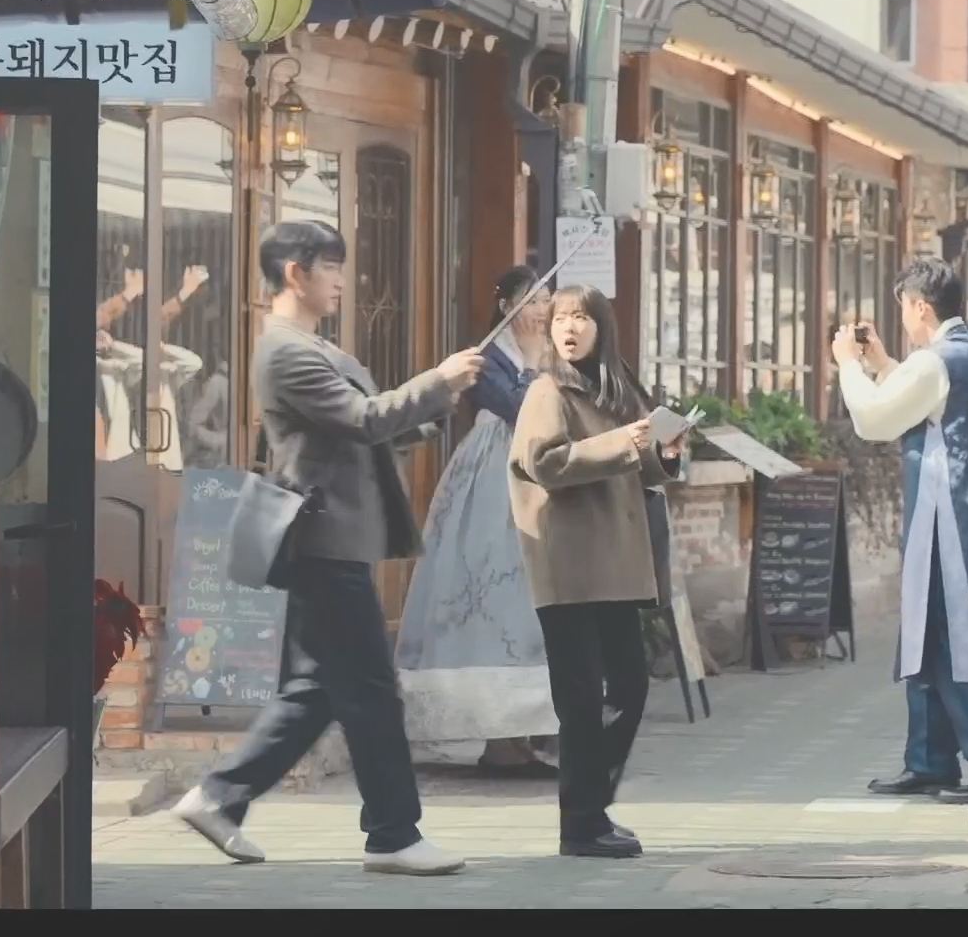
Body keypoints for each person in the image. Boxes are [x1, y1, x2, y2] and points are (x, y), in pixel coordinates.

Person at [171, 220, 485, 877]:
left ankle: (220, 797)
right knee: (370, 690)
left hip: (334, 538)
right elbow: (364, 419)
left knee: (316, 689)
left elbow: (366, 430)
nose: (343, 280)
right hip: (323, 539)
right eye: (333, 267)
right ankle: (393, 835)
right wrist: (437, 379)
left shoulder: (311, 348)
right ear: (296, 272)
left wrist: (436, 404)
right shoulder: (285, 352)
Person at [509, 285, 685, 859]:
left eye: (582, 317)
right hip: (569, 565)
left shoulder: (616, 389)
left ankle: (592, 807)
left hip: (617, 564)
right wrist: (621, 443)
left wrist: (665, 452)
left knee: (628, 688)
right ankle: (580, 824)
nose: (570, 327)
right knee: (582, 699)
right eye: (561, 318)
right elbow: (543, 462)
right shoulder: (547, 390)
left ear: (602, 328)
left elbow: (640, 467)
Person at [833, 258, 968, 806]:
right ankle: (929, 760)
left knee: (953, 636)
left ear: (920, 307)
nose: (902, 316)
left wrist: (848, 366)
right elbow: (920, 398)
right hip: (957, 515)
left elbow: (876, 420)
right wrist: (882, 364)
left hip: (949, 519)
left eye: (903, 306)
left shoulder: (936, 362)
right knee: (929, 634)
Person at [396, 264, 560, 774]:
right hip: (492, 476)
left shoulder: (552, 352)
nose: (542, 309)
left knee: (539, 594)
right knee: (491, 587)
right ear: (507, 306)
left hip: (541, 474)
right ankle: (497, 736)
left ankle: (533, 727)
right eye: (532, 300)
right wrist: (538, 368)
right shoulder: (488, 358)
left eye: (546, 299)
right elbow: (517, 408)